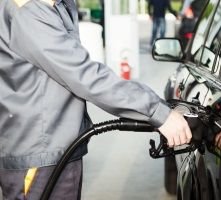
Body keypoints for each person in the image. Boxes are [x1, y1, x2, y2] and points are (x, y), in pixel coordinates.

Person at [0, 0, 192, 199]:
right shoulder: (29, 10)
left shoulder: (58, 5)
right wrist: (158, 112)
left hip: (55, 149)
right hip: (39, 154)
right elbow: (85, 76)